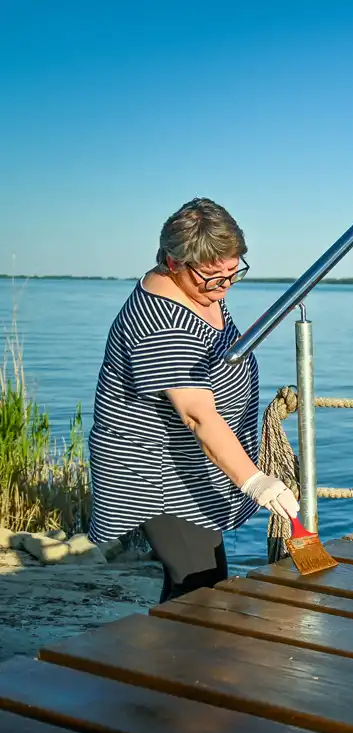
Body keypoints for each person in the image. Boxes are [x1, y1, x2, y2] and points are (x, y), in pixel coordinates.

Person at [87, 198, 299, 603]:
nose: (223, 287)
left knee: (201, 580)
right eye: (213, 278)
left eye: (233, 274)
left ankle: (179, 658)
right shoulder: (160, 323)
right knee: (198, 585)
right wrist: (254, 480)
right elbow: (198, 416)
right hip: (155, 473)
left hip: (192, 463)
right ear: (173, 262)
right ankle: (175, 663)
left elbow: (209, 346)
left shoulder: (203, 287)